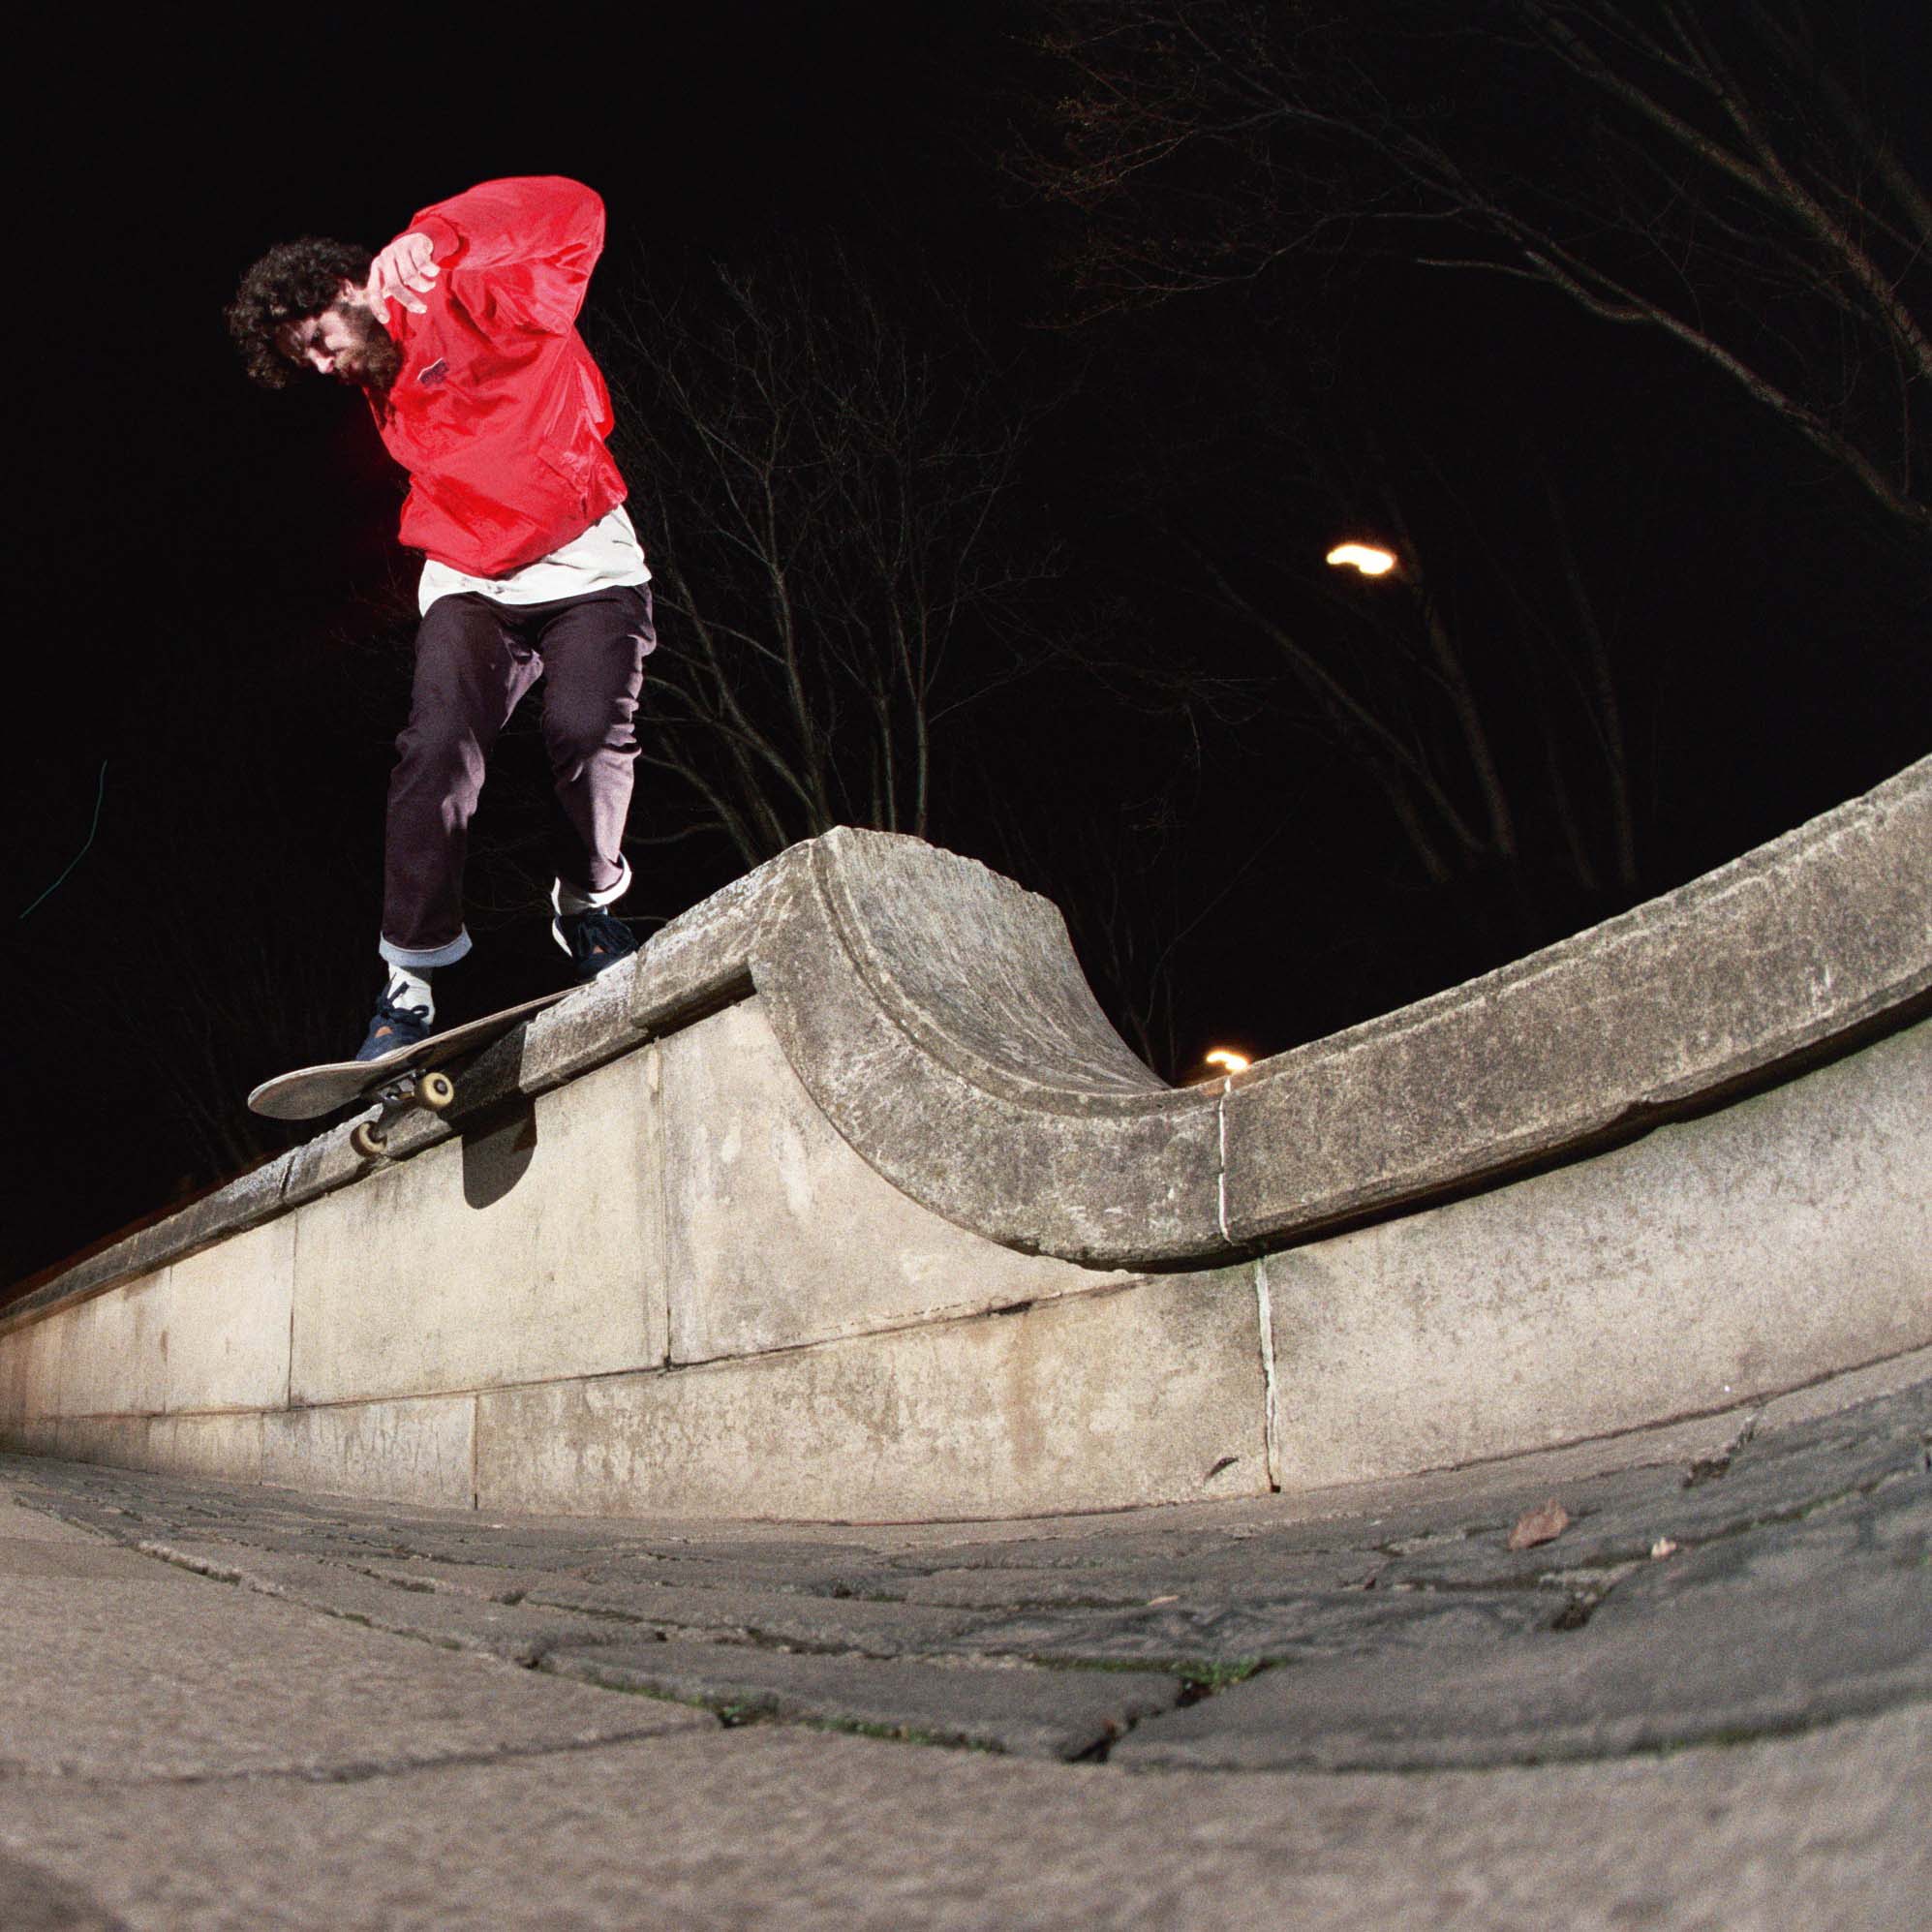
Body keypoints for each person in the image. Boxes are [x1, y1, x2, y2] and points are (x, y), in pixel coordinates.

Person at [225, 176, 656, 1059]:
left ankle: (590, 907)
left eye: (317, 340)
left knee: (587, 732)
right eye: (301, 360)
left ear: (346, 290)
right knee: (435, 746)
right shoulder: (377, 377)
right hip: (470, 581)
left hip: (587, 562)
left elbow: (577, 212)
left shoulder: (471, 291)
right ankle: (409, 983)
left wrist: (444, 231)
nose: (320, 365)